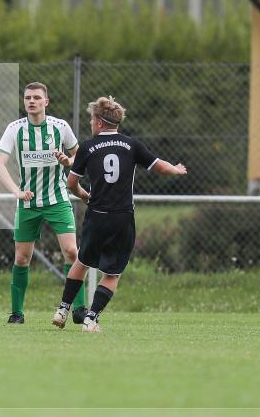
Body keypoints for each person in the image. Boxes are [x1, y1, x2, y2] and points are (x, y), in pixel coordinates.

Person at [53, 96, 186, 332]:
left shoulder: (87, 147)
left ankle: (63, 309)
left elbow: (71, 183)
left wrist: (84, 195)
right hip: (122, 217)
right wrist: (175, 170)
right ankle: (91, 318)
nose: (91, 124)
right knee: (112, 274)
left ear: (100, 123)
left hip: (96, 215)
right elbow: (160, 166)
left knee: (82, 262)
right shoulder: (131, 145)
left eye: (92, 120)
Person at [0, 82, 86, 324]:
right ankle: (17, 313)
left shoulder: (60, 127)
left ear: (46, 102)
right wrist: (16, 191)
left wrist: (68, 161)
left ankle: (79, 309)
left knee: (72, 252)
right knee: (22, 257)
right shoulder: (15, 129)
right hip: (28, 202)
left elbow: (79, 156)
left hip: (57, 199)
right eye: (27, 97)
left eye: (36, 97)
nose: (31, 101)